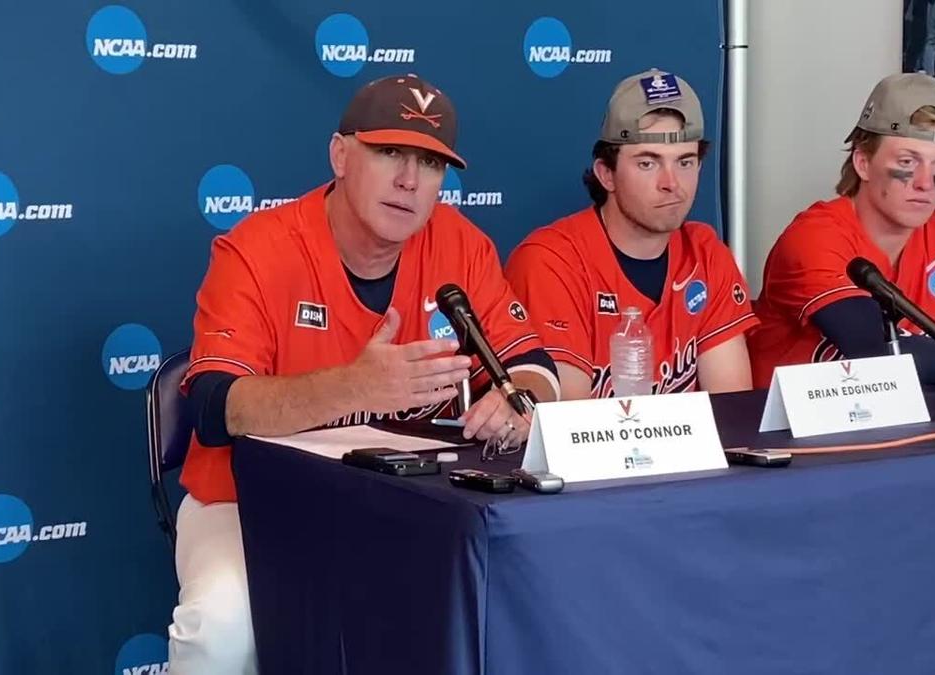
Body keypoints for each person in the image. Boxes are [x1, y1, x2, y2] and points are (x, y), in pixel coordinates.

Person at [167, 73, 559, 673]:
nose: (409, 179)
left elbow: (533, 365)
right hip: (250, 503)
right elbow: (216, 409)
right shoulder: (258, 249)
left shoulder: (462, 246)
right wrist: (354, 387)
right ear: (341, 154)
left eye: (430, 163)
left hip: (412, 507)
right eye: (390, 152)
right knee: (222, 629)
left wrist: (518, 401)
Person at [504, 69, 758, 400]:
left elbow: (731, 411)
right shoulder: (552, 260)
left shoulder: (706, 253)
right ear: (606, 174)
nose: (671, 183)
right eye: (648, 163)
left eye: (685, 162)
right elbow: (567, 427)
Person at [749, 72, 935, 389]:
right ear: (863, 163)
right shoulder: (814, 236)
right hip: (787, 431)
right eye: (907, 162)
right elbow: (879, 350)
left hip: (894, 424)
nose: (926, 183)